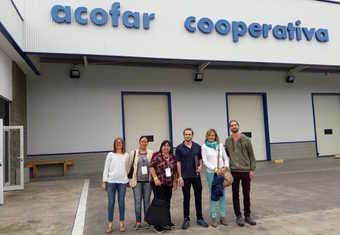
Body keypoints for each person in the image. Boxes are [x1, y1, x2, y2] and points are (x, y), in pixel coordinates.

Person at [225, 120, 257, 227]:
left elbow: (251, 155)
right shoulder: (228, 140)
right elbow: (226, 155)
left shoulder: (246, 140)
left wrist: (252, 169)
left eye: (235, 125)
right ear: (230, 128)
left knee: (246, 193)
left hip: (245, 171)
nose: (233, 126)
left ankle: (247, 215)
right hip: (234, 171)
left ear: (238, 126)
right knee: (235, 194)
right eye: (232, 125)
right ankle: (238, 216)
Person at [175, 128, 209, 229]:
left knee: (198, 197)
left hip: (196, 176)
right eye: (186, 134)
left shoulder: (197, 147)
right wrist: (180, 177)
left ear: (192, 135)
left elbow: (200, 159)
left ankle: (200, 218)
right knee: (186, 198)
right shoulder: (179, 148)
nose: (187, 136)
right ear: (183, 135)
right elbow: (178, 163)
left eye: (189, 134)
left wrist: (200, 166)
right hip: (185, 177)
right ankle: (186, 219)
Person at [202, 129, 230, 227]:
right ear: (207, 136)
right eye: (209, 135)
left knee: (222, 193)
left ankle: (223, 216)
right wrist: (215, 169)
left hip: (221, 173)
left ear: (215, 136)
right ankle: (213, 217)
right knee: (213, 194)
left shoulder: (220, 145)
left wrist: (225, 167)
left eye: (213, 135)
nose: (211, 137)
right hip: (211, 173)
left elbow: (226, 158)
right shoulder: (204, 147)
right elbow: (205, 161)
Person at [102, 137, 129, 233]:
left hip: (122, 182)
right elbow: (106, 168)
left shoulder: (126, 155)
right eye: (117, 142)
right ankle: (110, 224)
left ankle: (121, 223)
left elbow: (127, 168)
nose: (119, 144)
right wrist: (104, 181)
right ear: (114, 144)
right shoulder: (110, 154)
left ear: (123, 144)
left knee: (121, 202)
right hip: (111, 182)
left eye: (120, 142)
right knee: (111, 203)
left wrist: (128, 180)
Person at [149, 140, 178, 233]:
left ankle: (166, 221)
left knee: (167, 202)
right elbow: (151, 167)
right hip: (158, 183)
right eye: (164, 145)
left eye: (168, 146)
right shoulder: (156, 155)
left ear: (170, 148)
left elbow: (175, 171)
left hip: (168, 184)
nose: (166, 147)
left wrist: (175, 181)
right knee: (159, 202)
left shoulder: (172, 157)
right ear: (161, 147)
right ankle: (157, 224)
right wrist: (155, 178)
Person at [128, 136, 153, 230]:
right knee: (137, 202)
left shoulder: (151, 152)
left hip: (148, 182)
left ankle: (147, 221)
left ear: (147, 143)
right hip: (137, 182)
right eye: (142, 141)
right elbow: (130, 166)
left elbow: (153, 166)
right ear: (139, 142)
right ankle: (138, 222)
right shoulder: (133, 153)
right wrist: (128, 180)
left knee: (147, 202)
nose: (144, 143)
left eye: (146, 142)